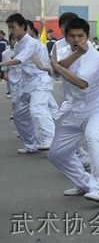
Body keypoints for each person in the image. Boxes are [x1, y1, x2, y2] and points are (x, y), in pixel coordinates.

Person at [47, 17, 99, 204]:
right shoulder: (63, 50)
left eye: (81, 35)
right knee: (57, 154)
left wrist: (56, 66)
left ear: (87, 36)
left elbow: (81, 83)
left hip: (98, 108)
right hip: (74, 109)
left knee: (94, 135)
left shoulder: (96, 57)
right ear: (66, 36)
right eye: (72, 35)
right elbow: (54, 71)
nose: (76, 40)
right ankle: (85, 183)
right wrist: (58, 65)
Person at [0, 13, 56, 153]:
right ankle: (31, 145)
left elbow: (19, 60)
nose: (11, 31)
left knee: (37, 108)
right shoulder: (19, 44)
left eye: (13, 27)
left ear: (23, 27)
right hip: (27, 83)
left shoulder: (32, 43)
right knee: (19, 114)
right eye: (9, 28)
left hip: (40, 81)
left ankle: (50, 139)